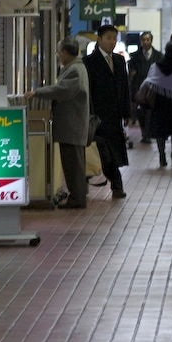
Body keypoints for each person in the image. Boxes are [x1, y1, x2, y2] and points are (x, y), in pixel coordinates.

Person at [24, 37, 90, 209]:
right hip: (71, 125)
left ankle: (77, 199)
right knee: (72, 163)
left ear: (67, 53)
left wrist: (37, 93)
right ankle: (77, 196)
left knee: (73, 164)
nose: (58, 55)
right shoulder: (74, 67)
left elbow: (62, 91)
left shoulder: (75, 70)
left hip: (72, 125)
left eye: (59, 52)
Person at [83, 24, 131, 199]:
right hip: (97, 116)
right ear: (99, 39)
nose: (112, 42)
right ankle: (114, 184)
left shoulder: (119, 61)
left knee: (112, 150)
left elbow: (125, 88)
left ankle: (115, 185)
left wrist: (126, 113)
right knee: (102, 150)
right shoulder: (89, 62)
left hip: (115, 115)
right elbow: (87, 91)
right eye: (108, 38)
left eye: (114, 38)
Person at [141, 42, 172, 168]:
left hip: (160, 102)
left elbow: (150, 80)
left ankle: (162, 155)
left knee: (160, 131)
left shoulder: (156, 66)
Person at [128, 31, 162, 144]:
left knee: (150, 112)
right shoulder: (134, 57)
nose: (145, 42)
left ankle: (147, 134)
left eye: (148, 39)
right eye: (143, 40)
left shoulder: (158, 56)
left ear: (151, 40)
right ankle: (145, 132)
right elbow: (131, 73)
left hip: (154, 88)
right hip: (139, 88)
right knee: (141, 112)